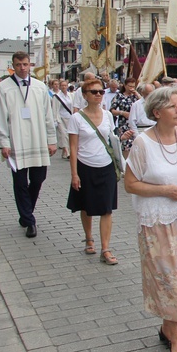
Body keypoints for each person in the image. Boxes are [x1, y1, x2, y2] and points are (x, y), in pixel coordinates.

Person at [124, 86, 177, 352]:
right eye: (173, 106)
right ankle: (176, 335)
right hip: (155, 222)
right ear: (157, 112)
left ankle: (168, 326)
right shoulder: (143, 143)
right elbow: (130, 184)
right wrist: (164, 190)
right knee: (167, 277)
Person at [67, 79, 132, 264]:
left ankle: (106, 248)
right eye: (93, 91)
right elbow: (73, 148)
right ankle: (89, 238)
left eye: (100, 92)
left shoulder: (107, 115)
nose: (98, 94)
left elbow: (111, 139)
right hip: (84, 165)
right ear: (85, 95)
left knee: (106, 208)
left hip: (106, 165)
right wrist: (74, 174)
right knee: (86, 206)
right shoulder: (76, 118)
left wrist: (121, 137)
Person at [0, 52, 58, 238]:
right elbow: (1, 117)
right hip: (17, 141)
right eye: (18, 65)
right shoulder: (4, 87)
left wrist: (52, 139)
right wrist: (3, 143)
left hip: (38, 138)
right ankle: (29, 220)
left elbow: (49, 116)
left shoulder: (40, 87)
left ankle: (26, 213)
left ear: (29, 65)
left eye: (25, 64)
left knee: (38, 179)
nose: (22, 68)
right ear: (13, 66)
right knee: (20, 182)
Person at [110, 77, 139, 157]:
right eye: (130, 86)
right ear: (125, 86)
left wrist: (137, 94)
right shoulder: (119, 96)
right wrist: (122, 113)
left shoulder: (135, 96)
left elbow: (145, 104)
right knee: (126, 146)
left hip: (136, 124)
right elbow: (112, 110)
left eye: (133, 86)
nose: (131, 88)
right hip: (124, 124)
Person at [53, 79, 74, 159]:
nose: (64, 87)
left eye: (65, 85)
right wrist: (55, 120)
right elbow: (55, 109)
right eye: (62, 85)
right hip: (60, 118)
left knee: (69, 135)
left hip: (70, 117)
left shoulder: (71, 95)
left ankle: (64, 152)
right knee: (64, 134)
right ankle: (68, 152)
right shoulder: (57, 96)